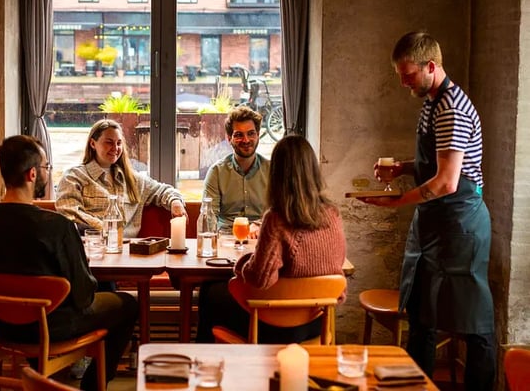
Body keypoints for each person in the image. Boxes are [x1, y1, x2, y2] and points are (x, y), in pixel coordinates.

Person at [360, 31, 495, 391]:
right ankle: (414, 388)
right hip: (434, 221)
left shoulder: (451, 107)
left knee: (474, 323)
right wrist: (402, 168)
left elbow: (448, 182)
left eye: (408, 75)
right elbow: (436, 165)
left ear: (431, 66)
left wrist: (396, 202)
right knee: (421, 314)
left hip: (459, 223)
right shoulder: (430, 101)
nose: (403, 82)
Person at [0, 135, 138, 391]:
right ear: (33, 174)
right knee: (127, 304)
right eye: (46, 167)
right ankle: (91, 386)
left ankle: (41, 375)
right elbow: (83, 296)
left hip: (4, 324)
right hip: (52, 327)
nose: (47, 172)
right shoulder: (57, 227)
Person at [195, 134, 346, 343]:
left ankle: (206, 363)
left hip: (277, 327)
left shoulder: (276, 219)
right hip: (316, 322)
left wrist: (243, 264)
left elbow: (260, 279)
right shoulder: (333, 214)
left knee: (209, 293)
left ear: (277, 174)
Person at [56, 119, 186, 237]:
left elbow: (163, 190)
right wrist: (108, 229)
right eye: (109, 142)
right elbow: (69, 213)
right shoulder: (73, 177)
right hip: (92, 249)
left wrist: (175, 202)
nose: (115, 148)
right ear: (92, 143)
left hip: (128, 252)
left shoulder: (133, 180)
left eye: (119, 143)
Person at [203, 106, 269, 234]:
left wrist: (259, 224)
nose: (246, 140)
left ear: (258, 135)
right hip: (226, 239)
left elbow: (281, 212)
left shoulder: (273, 170)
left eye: (251, 133)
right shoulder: (216, 172)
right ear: (229, 139)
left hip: (263, 237)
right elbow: (209, 217)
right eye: (239, 135)